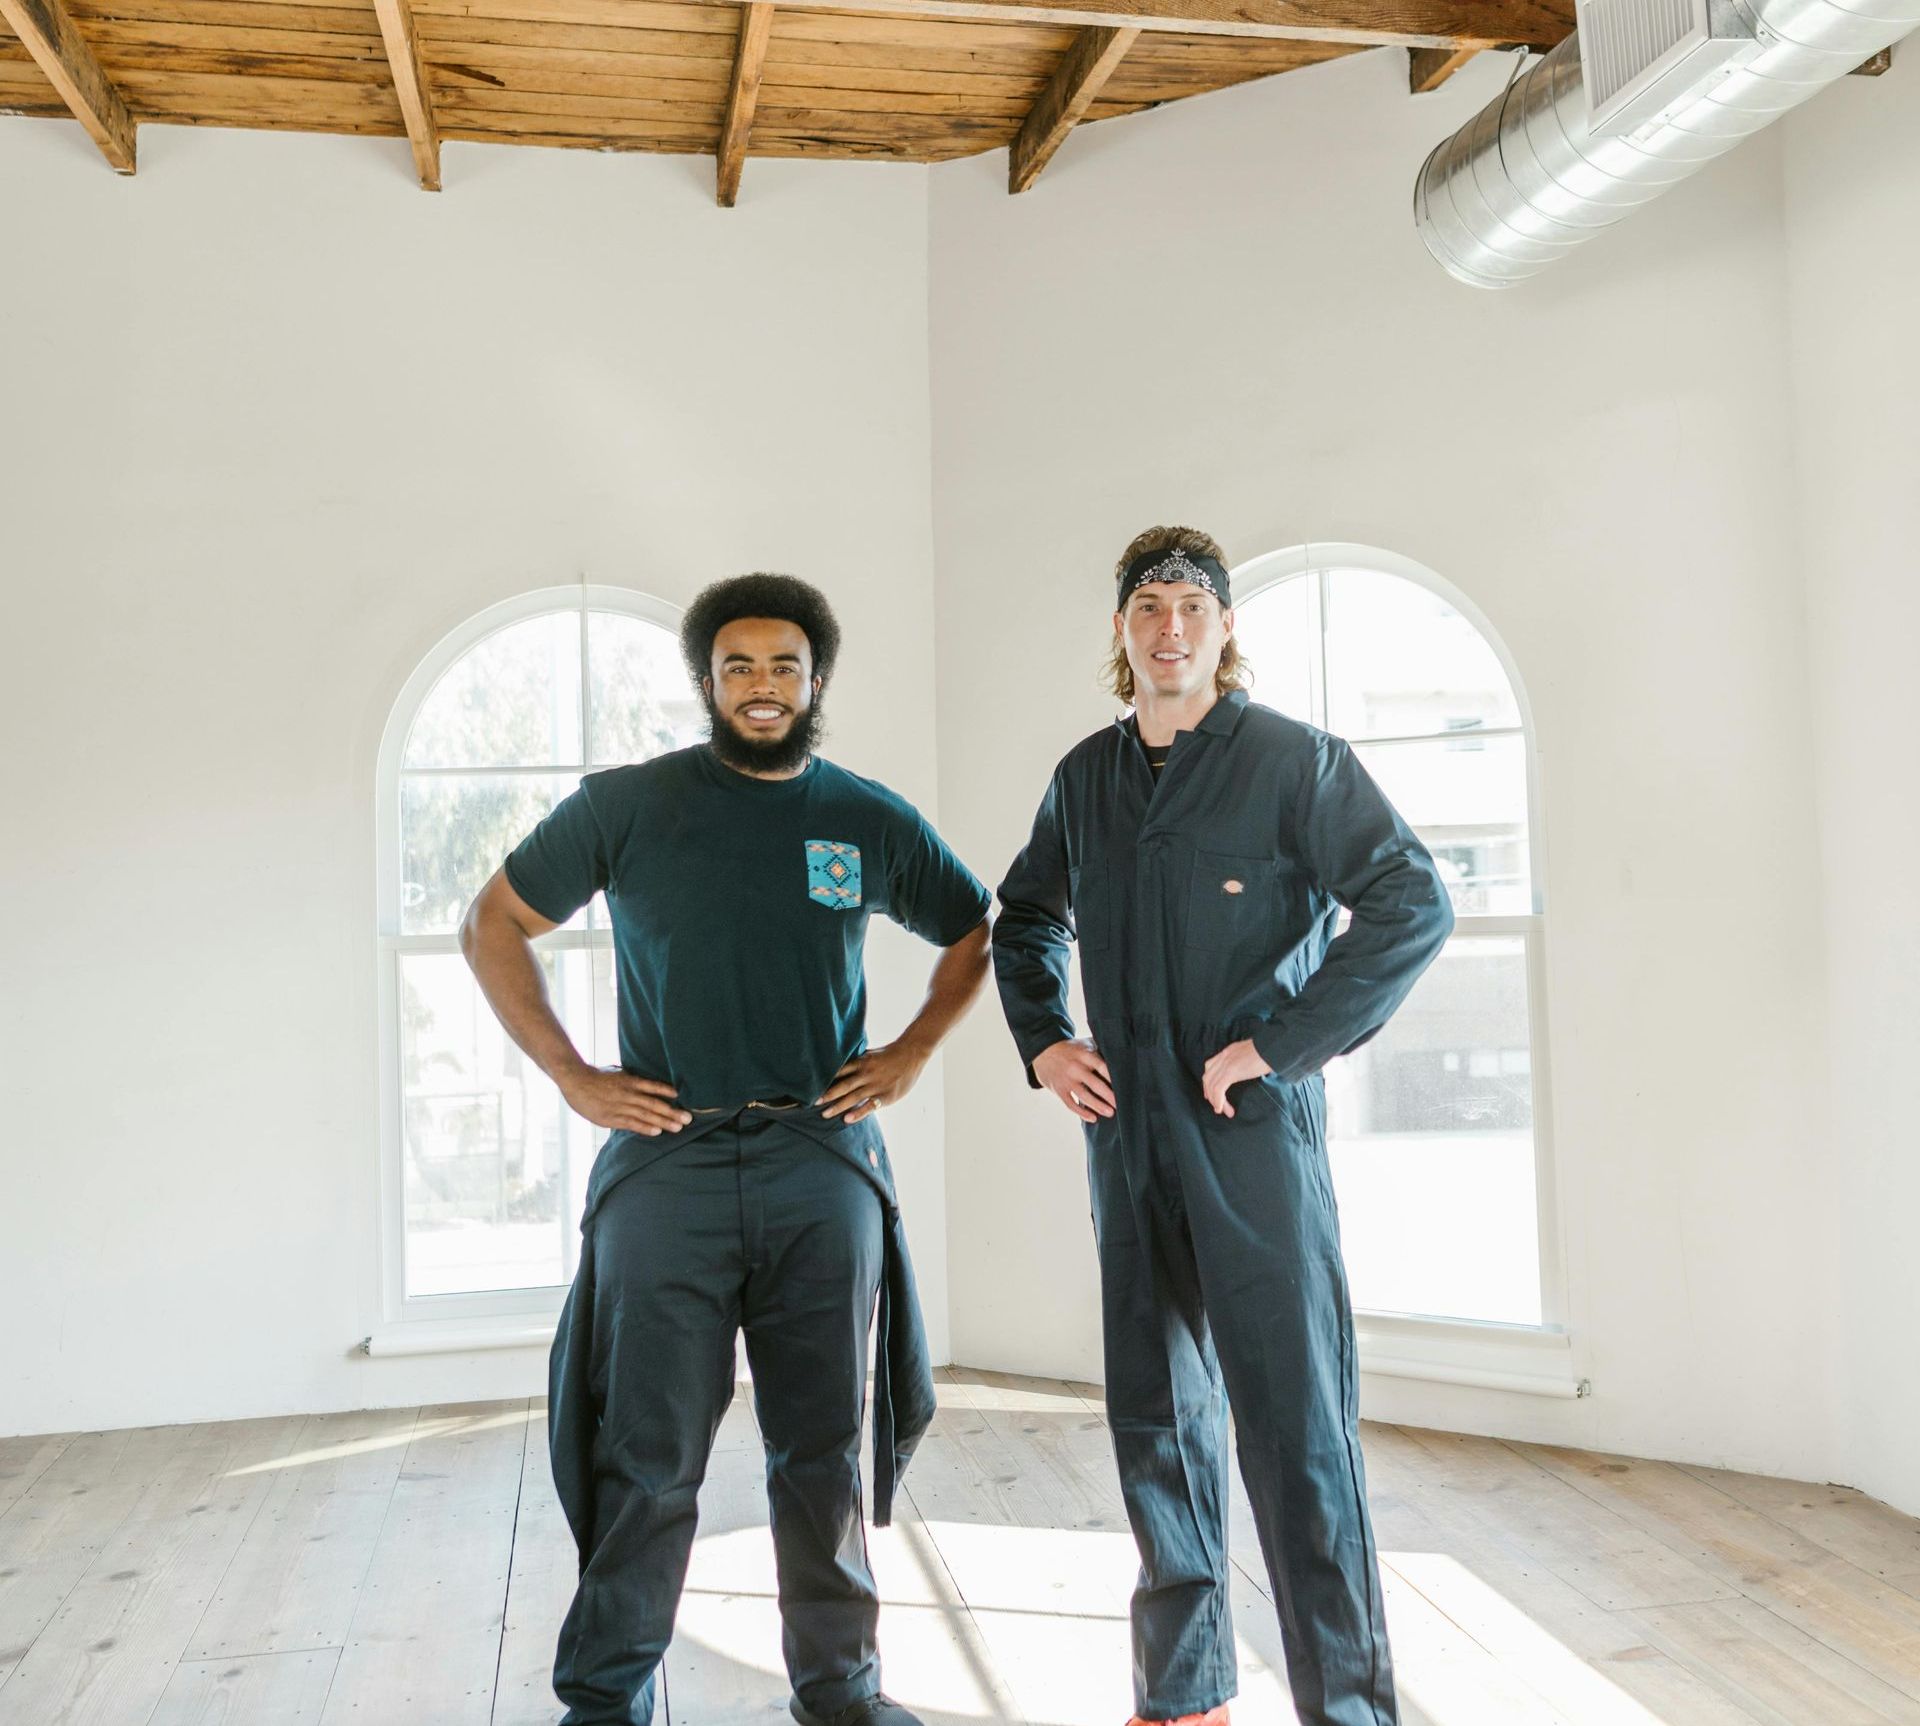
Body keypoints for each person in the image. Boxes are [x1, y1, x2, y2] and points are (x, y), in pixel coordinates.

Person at [460, 574, 991, 1726]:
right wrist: (571, 1072)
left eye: (785, 666)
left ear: (817, 681)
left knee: (823, 1454)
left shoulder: (865, 816)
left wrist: (910, 1050)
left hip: (820, 1159)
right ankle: (607, 1701)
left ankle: (841, 1695)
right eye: (739, 666)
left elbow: (973, 928)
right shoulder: (630, 807)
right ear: (706, 680)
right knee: (648, 1454)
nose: (763, 686)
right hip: (670, 1163)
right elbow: (491, 921)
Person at [991, 527, 1454, 1726]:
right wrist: (1045, 1039)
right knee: (1157, 1418)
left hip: (1250, 1136)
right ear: (1122, 632)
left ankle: (1346, 1706)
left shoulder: (1294, 762)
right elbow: (1025, 915)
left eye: (1193, 605)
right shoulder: (1085, 777)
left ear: (1226, 628)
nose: (1170, 628)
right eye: (1148, 605)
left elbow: (1412, 898)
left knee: (1296, 1430)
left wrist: (1284, 1042)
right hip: (1128, 1139)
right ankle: (1186, 1692)